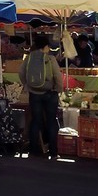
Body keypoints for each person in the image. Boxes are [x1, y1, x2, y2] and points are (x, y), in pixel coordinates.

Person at [21, 31, 62, 159]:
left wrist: (27, 85)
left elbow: (21, 73)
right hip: (50, 93)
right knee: (51, 121)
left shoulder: (28, 58)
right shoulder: (50, 58)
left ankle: (33, 151)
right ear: (45, 47)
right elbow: (57, 76)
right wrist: (58, 89)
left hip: (34, 94)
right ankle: (53, 152)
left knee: (36, 121)